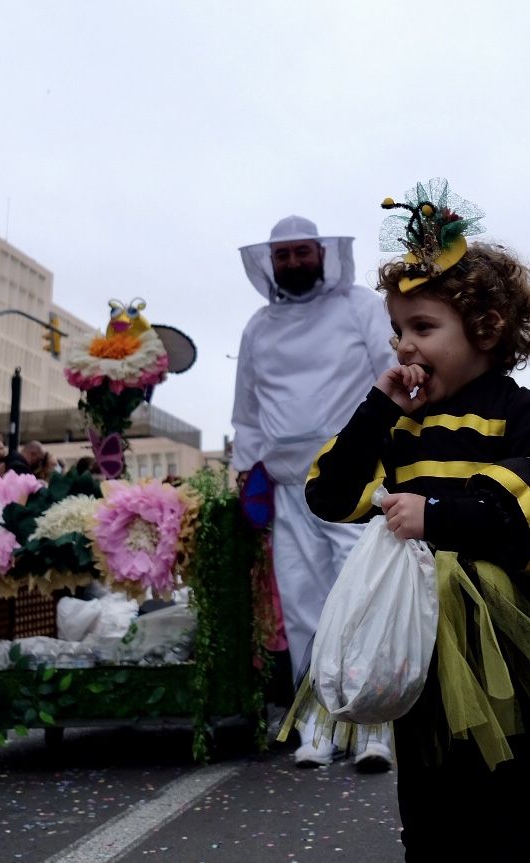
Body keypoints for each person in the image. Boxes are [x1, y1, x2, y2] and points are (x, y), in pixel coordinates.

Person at [303, 182, 530, 860]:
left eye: (423, 328)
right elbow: (329, 492)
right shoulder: (400, 419)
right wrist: (376, 408)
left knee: (510, 813)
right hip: (421, 638)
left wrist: (436, 515)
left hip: (509, 639)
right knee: (428, 811)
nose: (404, 346)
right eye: (397, 331)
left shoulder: (519, 411)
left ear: (486, 330)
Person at [232, 214, 397, 770]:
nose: (294, 263)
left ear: (323, 253)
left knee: (364, 597)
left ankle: (378, 726)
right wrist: (243, 472)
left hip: (355, 481)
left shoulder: (359, 306)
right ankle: (316, 725)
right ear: (270, 262)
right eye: (284, 255)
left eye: (303, 252)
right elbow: (248, 413)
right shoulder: (258, 326)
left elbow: (392, 372)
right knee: (304, 609)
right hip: (286, 488)